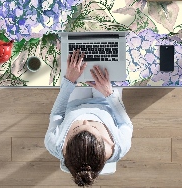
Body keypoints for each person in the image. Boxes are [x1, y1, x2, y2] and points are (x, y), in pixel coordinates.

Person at [45, 49, 133, 186]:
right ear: (105, 144)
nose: (85, 120)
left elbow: (57, 114)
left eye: (77, 128)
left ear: (66, 146)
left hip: (74, 103)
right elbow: (125, 124)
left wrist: (69, 81)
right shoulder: (121, 146)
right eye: (93, 127)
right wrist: (109, 93)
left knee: (74, 65)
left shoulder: (54, 144)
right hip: (106, 102)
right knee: (108, 61)